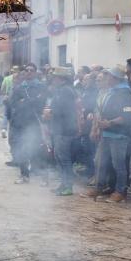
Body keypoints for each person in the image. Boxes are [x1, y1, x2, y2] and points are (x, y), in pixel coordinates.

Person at [84, 68, 131, 202]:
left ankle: (120, 191)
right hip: (106, 133)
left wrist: (110, 123)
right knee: (100, 161)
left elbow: (127, 116)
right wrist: (98, 127)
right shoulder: (111, 91)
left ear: (115, 78)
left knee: (118, 165)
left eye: (108, 76)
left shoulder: (124, 93)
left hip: (119, 135)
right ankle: (99, 187)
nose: (106, 78)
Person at [44, 67, 79, 196]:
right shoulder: (61, 90)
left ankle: (68, 186)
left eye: (54, 77)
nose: (52, 79)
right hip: (59, 129)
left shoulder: (66, 91)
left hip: (65, 130)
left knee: (64, 159)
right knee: (59, 158)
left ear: (61, 78)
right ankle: (63, 184)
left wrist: (50, 111)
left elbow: (65, 110)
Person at [9, 66, 47, 183]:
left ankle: (43, 176)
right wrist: (31, 101)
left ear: (35, 72)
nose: (29, 72)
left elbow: (42, 102)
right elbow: (13, 103)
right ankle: (24, 175)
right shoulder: (19, 87)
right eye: (27, 70)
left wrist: (25, 101)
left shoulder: (41, 86)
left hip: (34, 122)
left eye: (31, 70)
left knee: (36, 148)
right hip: (20, 122)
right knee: (21, 148)